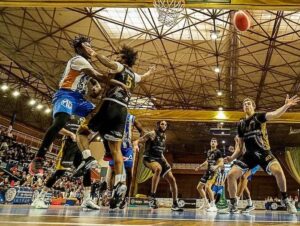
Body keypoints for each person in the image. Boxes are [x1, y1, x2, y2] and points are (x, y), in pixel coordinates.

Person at [76, 45, 155, 209]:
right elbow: (144, 77)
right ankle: (120, 182)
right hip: (123, 111)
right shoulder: (134, 75)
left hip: (110, 104)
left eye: (119, 56)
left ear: (124, 58)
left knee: (82, 133)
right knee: (115, 149)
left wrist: (94, 53)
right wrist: (150, 71)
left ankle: (89, 159)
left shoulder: (121, 67)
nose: (116, 58)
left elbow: (109, 64)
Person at [29, 36, 102, 175]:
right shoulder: (78, 60)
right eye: (87, 46)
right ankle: (39, 156)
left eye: (90, 46)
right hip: (66, 94)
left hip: (80, 99)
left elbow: (93, 78)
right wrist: (116, 78)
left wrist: (96, 86)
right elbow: (96, 74)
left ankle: (83, 158)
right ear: (80, 48)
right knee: (61, 121)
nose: (90, 49)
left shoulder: (86, 63)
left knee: (99, 118)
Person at [221, 96, 299, 214]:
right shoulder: (241, 124)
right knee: (231, 175)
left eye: (248, 103)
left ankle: (285, 199)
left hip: (263, 152)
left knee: (278, 171)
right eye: (244, 104)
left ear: (253, 106)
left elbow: (275, 114)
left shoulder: (259, 117)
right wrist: (232, 157)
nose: (246, 105)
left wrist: (286, 106)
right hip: (249, 155)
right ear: (243, 108)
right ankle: (232, 204)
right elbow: (240, 146)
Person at [31, 116, 100, 210]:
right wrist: (70, 134)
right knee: (60, 172)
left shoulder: (84, 118)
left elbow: (88, 134)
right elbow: (58, 128)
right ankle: (39, 198)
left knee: (87, 169)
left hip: (80, 146)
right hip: (68, 144)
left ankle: (87, 200)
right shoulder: (67, 114)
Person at [134, 120, 183, 211]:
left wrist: (166, 162)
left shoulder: (164, 136)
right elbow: (138, 141)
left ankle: (175, 204)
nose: (164, 126)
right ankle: (152, 197)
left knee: (172, 180)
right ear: (158, 125)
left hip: (160, 158)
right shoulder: (152, 134)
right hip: (149, 158)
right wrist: (136, 145)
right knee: (158, 168)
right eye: (162, 124)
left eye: (165, 124)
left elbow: (160, 152)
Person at [107, 113, 144, 209]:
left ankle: (125, 198)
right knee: (112, 170)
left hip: (127, 148)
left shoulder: (131, 118)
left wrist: (137, 142)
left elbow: (142, 131)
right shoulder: (112, 114)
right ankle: (110, 195)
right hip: (115, 146)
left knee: (129, 172)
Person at [195, 138, 223, 212]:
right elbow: (207, 161)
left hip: (214, 172)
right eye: (212, 141)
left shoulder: (218, 152)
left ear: (217, 144)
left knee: (207, 187)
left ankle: (213, 206)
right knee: (199, 187)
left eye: (214, 141)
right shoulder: (208, 151)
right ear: (210, 143)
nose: (213, 142)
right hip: (208, 171)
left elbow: (221, 163)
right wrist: (200, 166)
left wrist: (216, 166)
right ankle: (206, 203)